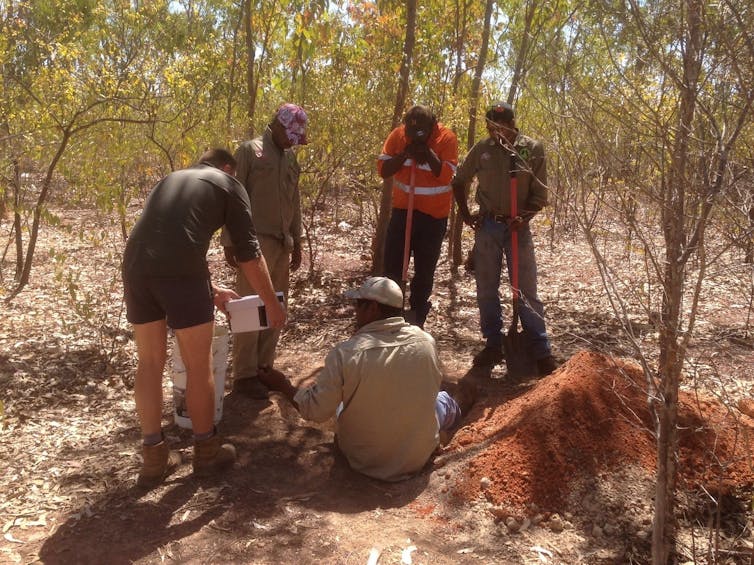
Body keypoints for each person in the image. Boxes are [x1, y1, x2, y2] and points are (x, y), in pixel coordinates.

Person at [122, 148, 286, 487]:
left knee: (148, 361)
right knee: (199, 365)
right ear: (229, 168)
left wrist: (211, 292)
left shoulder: (171, 180)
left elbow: (170, 240)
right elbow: (249, 255)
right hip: (181, 270)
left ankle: (153, 458)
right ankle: (206, 450)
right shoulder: (228, 184)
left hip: (136, 263)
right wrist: (271, 304)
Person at [257, 276, 475, 482]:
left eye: (358, 306)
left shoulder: (346, 353)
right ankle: (460, 422)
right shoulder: (426, 342)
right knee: (442, 401)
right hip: (417, 457)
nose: (355, 313)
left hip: (364, 460)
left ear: (372, 308)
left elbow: (316, 411)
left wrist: (283, 386)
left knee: (343, 405)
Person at [451, 102, 557, 377]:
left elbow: (540, 195)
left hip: (517, 228)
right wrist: (465, 215)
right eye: (491, 127)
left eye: (502, 127)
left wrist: (525, 217)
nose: (497, 132)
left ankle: (539, 348)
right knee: (486, 288)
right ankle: (494, 343)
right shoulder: (483, 149)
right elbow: (458, 180)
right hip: (488, 227)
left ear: (512, 125)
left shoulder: (530, 149)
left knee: (525, 289)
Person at [223, 103, 308, 399]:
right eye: (290, 134)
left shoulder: (291, 159)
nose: (292, 141)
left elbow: (294, 203)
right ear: (277, 125)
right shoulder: (250, 151)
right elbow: (231, 196)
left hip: (282, 244)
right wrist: (229, 240)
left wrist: (297, 241)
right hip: (253, 242)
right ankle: (244, 375)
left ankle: (263, 368)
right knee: (249, 306)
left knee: (277, 306)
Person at [377, 105, 458, 328]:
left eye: (422, 133)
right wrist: (405, 154)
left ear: (433, 127)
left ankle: (417, 315)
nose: (415, 136)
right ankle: (390, 312)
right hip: (403, 214)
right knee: (393, 266)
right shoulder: (398, 135)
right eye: (411, 132)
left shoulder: (446, 138)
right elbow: (384, 170)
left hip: (433, 218)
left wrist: (427, 153)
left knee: (424, 270)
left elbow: (447, 176)